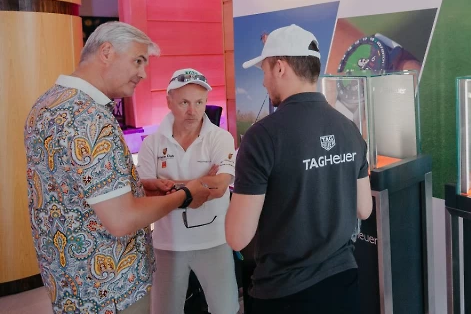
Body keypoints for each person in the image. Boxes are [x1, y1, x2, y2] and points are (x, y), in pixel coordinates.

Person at [24, 22, 210, 314]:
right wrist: (185, 195)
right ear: (107, 52)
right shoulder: (89, 118)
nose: (143, 73)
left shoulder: (47, 104)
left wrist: (136, 188)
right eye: (138, 60)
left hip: (69, 285)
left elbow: (71, 187)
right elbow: (122, 220)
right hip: (112, 290)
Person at [226, 24, 373, 314]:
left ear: (280, 67)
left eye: (264, 71)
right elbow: (364, 209)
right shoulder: (349, 128)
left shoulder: (261, 136)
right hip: (344, 286)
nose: (264, 82)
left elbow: (237, 236)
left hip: (284, 294)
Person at [136, 68, 239, 314]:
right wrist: (199, 184)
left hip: (214, 240)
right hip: (167, 243)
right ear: (169, 101)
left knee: (225, 309)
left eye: (199, 102)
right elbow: (146, 193)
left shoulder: (221, 138)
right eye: (184, 102)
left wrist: (168, 187)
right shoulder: (152, 143)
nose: (192, 111)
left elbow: (220, 186)